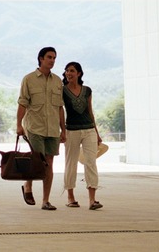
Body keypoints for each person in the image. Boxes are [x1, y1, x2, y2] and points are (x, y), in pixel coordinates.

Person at [16, 47, 66, 210]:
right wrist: (18, 125)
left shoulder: (58, 81)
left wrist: (63, 130)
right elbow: (23, 103)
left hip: (52, 129)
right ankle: (28, 186)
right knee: (37, 160)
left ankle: (46, 200)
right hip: (34, 127)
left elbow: (60, 107)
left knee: (49, 163)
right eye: (49, 57)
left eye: (54, 58)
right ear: (41, 58)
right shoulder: (29, 79)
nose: (52, 60)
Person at [62, 61, 103, 210]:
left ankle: (92, 200)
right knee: (70, 163)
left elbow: (90, 112)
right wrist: (62, 130)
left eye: (72, 71)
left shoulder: (87, 90)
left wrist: (97, 133)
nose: (69, 73)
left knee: (90, 163)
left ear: (79, 73)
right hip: (71, 131)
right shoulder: (62, 91)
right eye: (67, 71)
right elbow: (60, 112)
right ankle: (70, 197)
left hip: (89, 130)